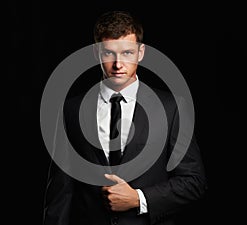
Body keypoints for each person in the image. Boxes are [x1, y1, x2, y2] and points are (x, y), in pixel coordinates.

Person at [43, 10, 207, 225]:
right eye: (109, 53)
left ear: (141, 53)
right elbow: (60, 193)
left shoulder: (171, 108)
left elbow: (194, 182)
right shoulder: (71, 110)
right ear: (96, 53)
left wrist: (139, 199)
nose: (118, 64)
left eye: (127, 53)